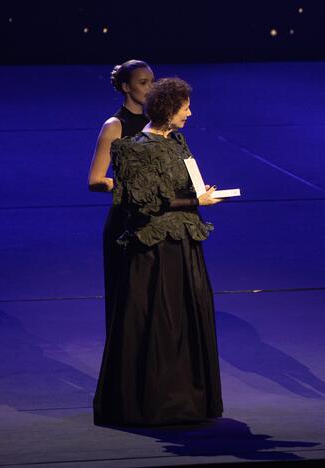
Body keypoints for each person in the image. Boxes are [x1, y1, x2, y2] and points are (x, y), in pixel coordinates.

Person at [94, 77, 223, 425]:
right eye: (185, 109)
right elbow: (144, 202)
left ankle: (188, 400)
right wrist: (194, 200)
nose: (190, 114)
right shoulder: (133, 148)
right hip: (154, 248)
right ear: (167, 110)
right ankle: (153, 403)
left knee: (185, 316)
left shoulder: (178, 141)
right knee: (157, 320)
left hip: (183, 242)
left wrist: (200, 192)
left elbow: (185, 182)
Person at [87, 59, 154, 336]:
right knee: (127, 301)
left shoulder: (159, 123)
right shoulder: (115, 125)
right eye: (143, 83)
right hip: (127, 222)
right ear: (126, 87)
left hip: (157, 219)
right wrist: (128, 187)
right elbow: (95, 180)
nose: (150, 89)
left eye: (153, 82)